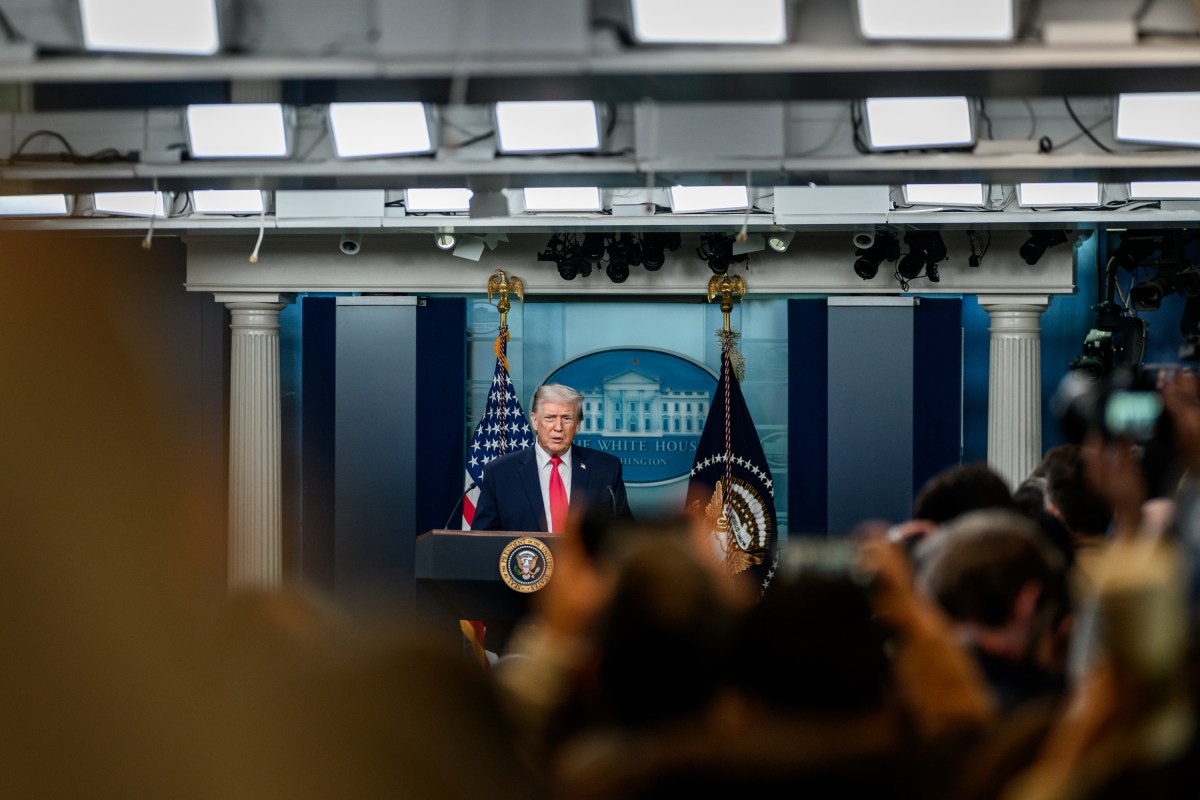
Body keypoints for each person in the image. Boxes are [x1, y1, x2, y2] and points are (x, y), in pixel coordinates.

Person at [471, 383, 632, 532]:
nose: (558, 427)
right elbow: (483, 538)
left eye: (566, 418)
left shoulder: (606, 468)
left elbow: (624, 534)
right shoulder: (500, 472)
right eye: (550, 418)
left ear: (577, 425)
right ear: (534, 421)